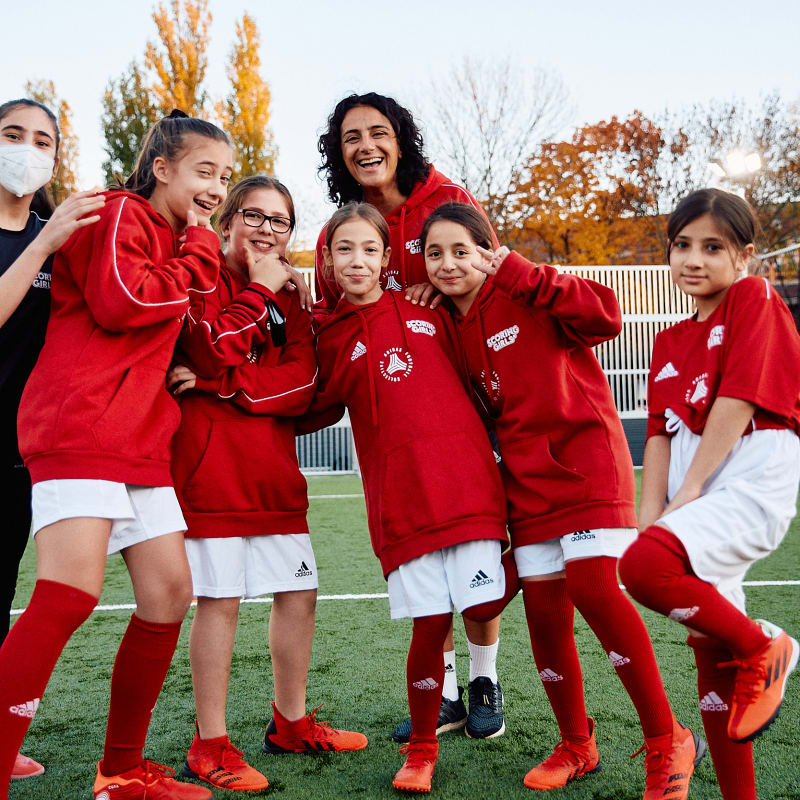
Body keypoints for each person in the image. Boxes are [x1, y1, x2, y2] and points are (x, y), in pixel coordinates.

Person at [421, 202, 705, 799]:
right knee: (545, 616)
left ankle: (668, 739)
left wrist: (524, 272)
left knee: (596, 590)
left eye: (461, 250)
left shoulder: (525, 288)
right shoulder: (448, 322)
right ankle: (578, 742)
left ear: (486, 250)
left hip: (584, 468)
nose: (449, 264)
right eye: (434, 253)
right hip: (524, 486)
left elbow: (609, 316)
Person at [0, 110, 231, 800]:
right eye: (203, 171)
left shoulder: (178, 237)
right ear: (162, 169)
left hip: (137, 437)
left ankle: (121, 772)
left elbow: (201, 326)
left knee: (169, 592)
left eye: (224, 174)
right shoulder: (120, 214)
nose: (216, 187)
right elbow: (123, 299)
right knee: (68, 594)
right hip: (81, 426)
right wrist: (197, 250)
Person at [300, 202, 516, 792]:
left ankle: (484, 682)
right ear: (326, 259)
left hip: (466, 483)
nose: (357, 260)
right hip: (400, 499)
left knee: (482, 605)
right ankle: (423, 748)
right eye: (344, 249)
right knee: (427, 622)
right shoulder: (326, 333)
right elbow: (305, 407)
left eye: (369, 248)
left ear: (389, 258)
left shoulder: (430, 306)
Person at [316, 91, 505, 742]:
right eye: (350, 137)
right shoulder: (338, 228)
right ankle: (447, 692)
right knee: (427, 569)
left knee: (476, 558)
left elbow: (483, 280)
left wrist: (441, 289)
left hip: (454, 398)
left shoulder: (445, 201)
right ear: (337, 153)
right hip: (395, 423)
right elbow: (330, 318)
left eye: (378, 132)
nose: (365, 146)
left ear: (401, 140)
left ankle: (485, 679)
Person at [168, 175, 367, 793]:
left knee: (298, 593)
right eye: (252, 215)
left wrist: (223, 387)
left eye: (279, 221)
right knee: (220, 602)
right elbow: (206, 348)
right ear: (227, 223)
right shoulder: (197, 275)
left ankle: (290, 721)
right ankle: (211, 744)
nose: (265, 229)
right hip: (210, 468)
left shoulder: (294, 300)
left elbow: (303, 386)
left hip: (274, 472)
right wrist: (255, 295)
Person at [619, 188, 800, 800]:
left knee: (645, 570)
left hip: (750, 467)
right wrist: (651, 516)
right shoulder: (668, 342)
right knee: (711, 655)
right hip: (698, 477)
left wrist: (690, 493)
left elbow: (739, 397)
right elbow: (663, 439)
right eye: (682, 246)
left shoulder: (753, 297)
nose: (693, 259)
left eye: (712, 247)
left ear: (744, 256)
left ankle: (766, 645)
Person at [0, 97, 105, 784]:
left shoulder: (57, 235)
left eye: (44, 140)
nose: (28, 149)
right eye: (13, 135)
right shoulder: (42, 238)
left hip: (20, 451)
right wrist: (42, 243)